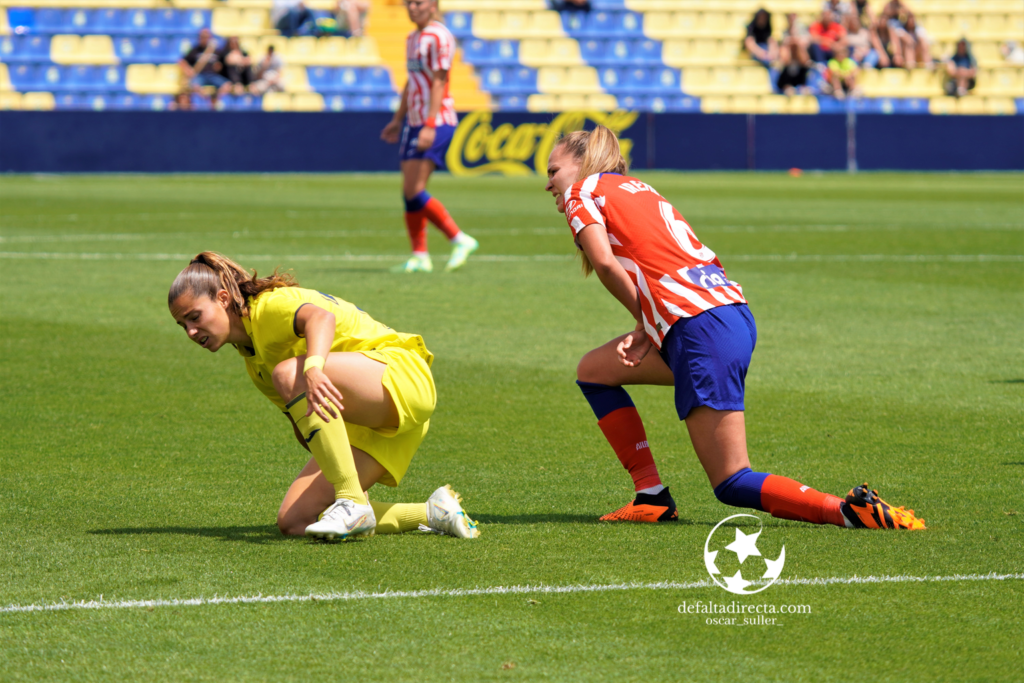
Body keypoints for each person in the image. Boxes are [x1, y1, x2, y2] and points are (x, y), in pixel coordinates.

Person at [543, 126, 925, 531]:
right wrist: (648, 325)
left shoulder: (581, 192)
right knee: (595, 372)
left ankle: (849, 511)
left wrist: (644, 321)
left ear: (581, 164)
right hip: (727, 316)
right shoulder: (635, 187)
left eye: (553, 170)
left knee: (731, 480)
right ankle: (650, 496)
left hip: (697, 329)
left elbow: (605, 263)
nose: (549, 183)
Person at [167, 252, 480, 540]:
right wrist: (340, 473)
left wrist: (314, 369)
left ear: (223, 298)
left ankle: (351, 501)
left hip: (401, 378)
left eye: (195, 317)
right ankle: (433, 512)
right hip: (371, 419)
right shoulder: (255, 365)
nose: (191, 332)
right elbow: (306, 428)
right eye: (183, 326)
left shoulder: (267, 308)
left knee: (289, 373)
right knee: (295, 520)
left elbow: (320, 318)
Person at [380, 0, 478, 273]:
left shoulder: (439, 36)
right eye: (408, 3)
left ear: (433, 5)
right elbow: (412, 82)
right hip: (414, 121)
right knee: (408, 193)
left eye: (418, 2)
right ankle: (420, 256)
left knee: (414, 189)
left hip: (435, 120)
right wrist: (398, 120)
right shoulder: (412, 38)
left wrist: (430, 124)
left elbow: (439, 82)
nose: (412, 7)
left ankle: (459, 239)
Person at [179, 28, 232, 102]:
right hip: (200, 75)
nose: (204, 39)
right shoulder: (195, 50)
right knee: (195, 86)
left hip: (213, 75)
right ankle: (206, 102)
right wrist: (188, 70)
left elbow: (224, 61)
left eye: (206, 36)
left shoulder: (216, 50)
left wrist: (219, 66)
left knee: (227, 85)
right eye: (202, 36)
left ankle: (215, 100)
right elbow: (182, 61)